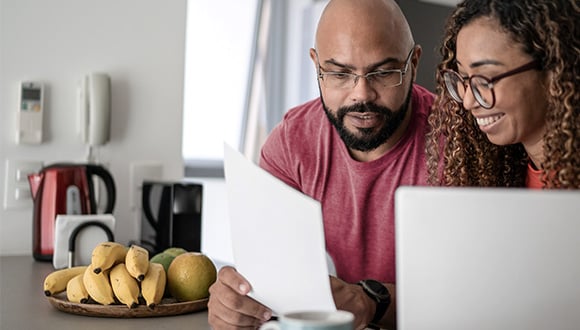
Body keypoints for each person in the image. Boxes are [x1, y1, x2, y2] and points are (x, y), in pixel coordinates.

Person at [207, 0, 435, 329]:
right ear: (316, 66)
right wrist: (237, 301)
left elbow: (477, 294)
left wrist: (371, 301)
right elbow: (272, 283)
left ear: (413, 63)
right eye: (340, 74)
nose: (362, 95)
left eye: (383, 72)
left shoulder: (460, 143)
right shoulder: (291, 144)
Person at [426, 0, 580, 188]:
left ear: (553, 75)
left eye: (485, 78)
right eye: (464, 78)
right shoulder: (504, 174)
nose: (468, 102)